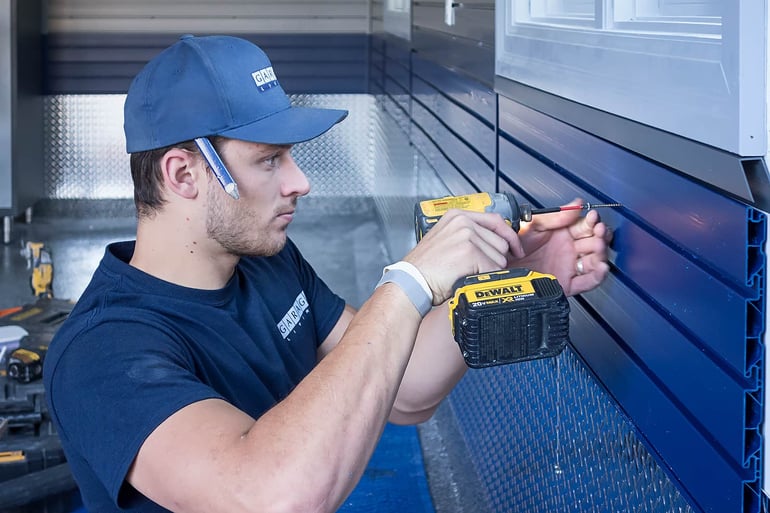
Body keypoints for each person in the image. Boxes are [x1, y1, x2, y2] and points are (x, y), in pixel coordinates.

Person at [43, 34, 612, 513]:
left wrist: (516, 273)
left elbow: (406, 392)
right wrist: (407, 283)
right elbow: (272, 496)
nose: (299, 182)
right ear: (183, 174)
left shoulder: (268, 265)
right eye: (269, 160)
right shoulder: (103, 351)